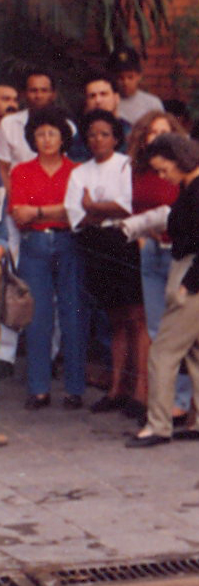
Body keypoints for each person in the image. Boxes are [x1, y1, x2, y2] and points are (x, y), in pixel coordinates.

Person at [130, 133, 199, 446]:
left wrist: (189, 285)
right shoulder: (195, 187)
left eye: (164, 169)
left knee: (163, 351)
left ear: (180, 161)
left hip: (196, 271)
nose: (163, 176)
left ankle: (158, 425)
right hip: (195, 269)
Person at [67, 110, 147, 418]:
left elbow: (128, 207)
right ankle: (116, 388)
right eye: (92, 135)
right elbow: (77, 215)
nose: (97, 139)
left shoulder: (126, 165)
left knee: (136, 318)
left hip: (125, 244)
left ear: (116, 138)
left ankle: (140, 391)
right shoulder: (79, 172)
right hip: (97, 245)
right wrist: (102, 210)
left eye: (104, 134)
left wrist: (94, 207)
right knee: (114, 318)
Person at [11, 106, 88, 408]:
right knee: (38, 316)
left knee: (73, 314)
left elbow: (79, 213)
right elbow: (20, 215)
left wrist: (41, 211)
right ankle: (39, 388)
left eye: (52, 133)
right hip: (35, 246)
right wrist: (61, 210)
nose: (46, 139)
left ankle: (74, 388)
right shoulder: (22, 171)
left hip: (70, 244)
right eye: (40, 134)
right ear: (32, 138)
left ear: (63, 137)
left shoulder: (77, 172)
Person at [119, 110, 190, 419]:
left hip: (178, 252)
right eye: (152, 132)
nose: (158, 137)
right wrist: (141, 236)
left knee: (181, 328)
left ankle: (182, 402)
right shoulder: (136, 169)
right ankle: (160, 400)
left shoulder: (184, 171)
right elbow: (132, 208)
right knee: (156, 328)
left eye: (164, 131)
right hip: (151, 251)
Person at [109, 47, 163, 125]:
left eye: (130, 77)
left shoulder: (152, 104)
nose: (125, 82)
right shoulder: (107, 102)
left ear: (139, 76)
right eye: (120, 78)